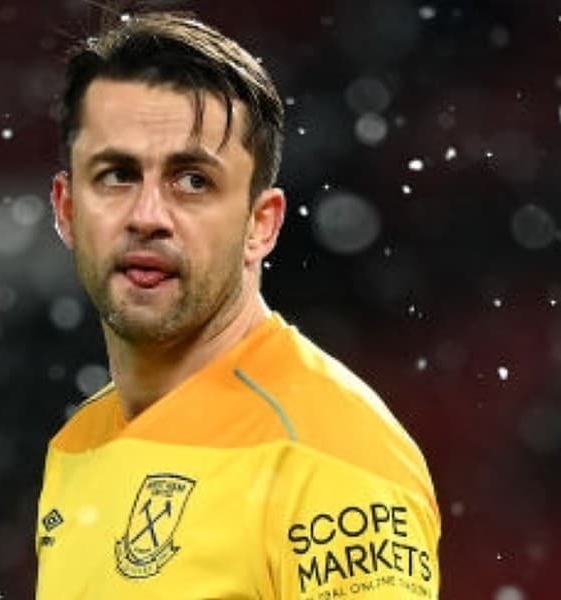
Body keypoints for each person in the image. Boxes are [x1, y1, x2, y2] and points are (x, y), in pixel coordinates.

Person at [35, 10, 440, 599]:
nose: (148, 216)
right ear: (67, 210)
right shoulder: (76, 443)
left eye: (193, 180)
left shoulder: (331, 453)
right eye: (117, 174)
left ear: (260, 224)